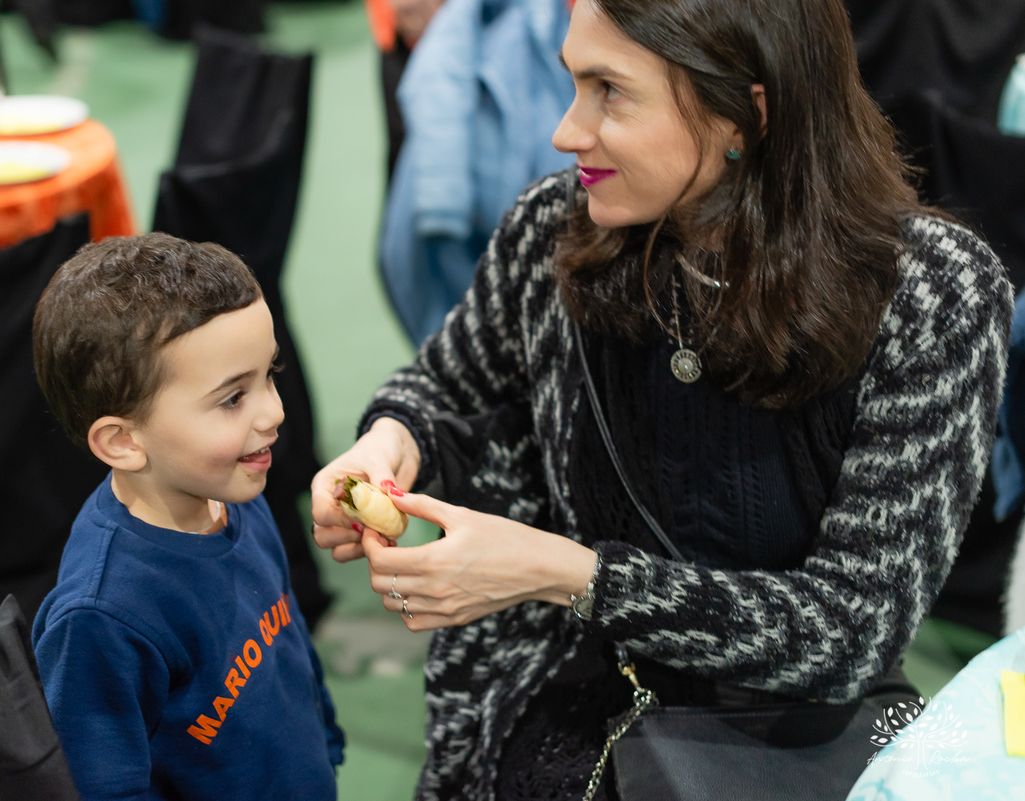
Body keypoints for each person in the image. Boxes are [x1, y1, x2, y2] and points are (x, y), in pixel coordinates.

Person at [310, 0, 1013, 798]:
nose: (565, 132)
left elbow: (849, 628)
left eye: (609, 91)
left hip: (799, 736)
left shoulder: (932, 293)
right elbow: (447, 383)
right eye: (573, 83)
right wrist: (392, 437)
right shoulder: (552, 228)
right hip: (569, 696)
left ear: (747, 113)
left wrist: (569, 574)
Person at [31, 233, 344, 800]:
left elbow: (287, 640)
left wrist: (325, 738)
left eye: (269, 374)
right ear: (124, 441)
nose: (274, 412)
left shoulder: (235, 492)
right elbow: (105, 785)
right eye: (232, 398)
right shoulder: (103, 615)